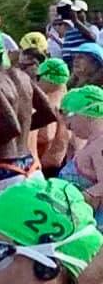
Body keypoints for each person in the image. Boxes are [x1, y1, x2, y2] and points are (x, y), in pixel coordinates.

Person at [0, 30, 57, 190]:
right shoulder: (21, 76)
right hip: (32, 167)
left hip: (5, 173)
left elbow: (10, 127)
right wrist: (24, 127)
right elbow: (49, 113)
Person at [58, 86, 103, 229]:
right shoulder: (93, 142)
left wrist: (72, 201)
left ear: (86, 114)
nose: (66, 124)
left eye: (70, 116)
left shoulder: (101, 143)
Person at [35, 58, 70, 176]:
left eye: (38, 77)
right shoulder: (68, 99)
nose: (36, 82)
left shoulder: (49, 103)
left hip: (46, 164)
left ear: (47, 78)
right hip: (62, 163)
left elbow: (45, 136)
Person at [61, 0, 99, 65]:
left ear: (85, 13)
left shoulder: (92, 28)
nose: (75, 15)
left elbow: (93, 38)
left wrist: (76, 21)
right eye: (73, 12)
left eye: (78, 12)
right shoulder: (69, 31)